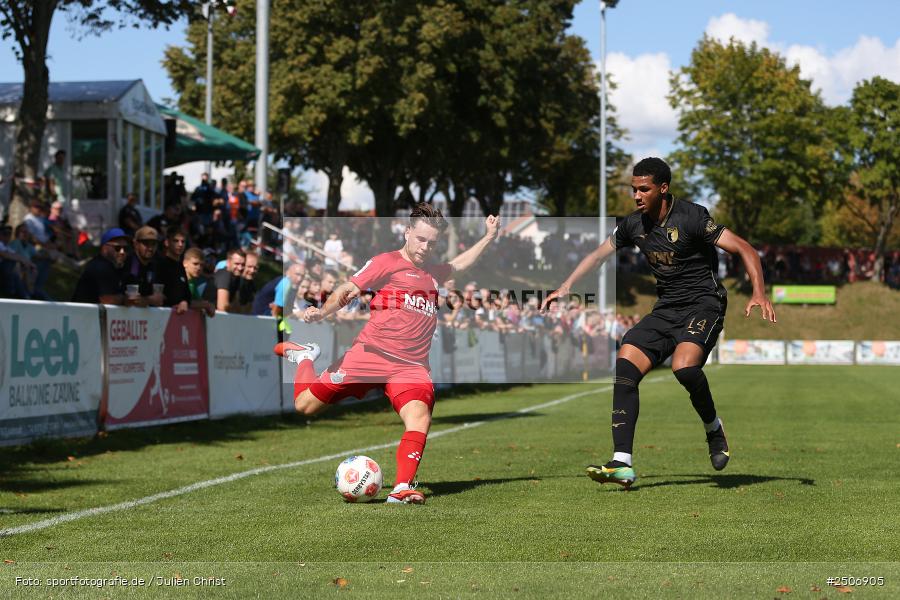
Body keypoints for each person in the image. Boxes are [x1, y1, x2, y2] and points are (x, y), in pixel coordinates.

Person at [542, 157, 776, 489]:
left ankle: (713, 427)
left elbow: (745, 249)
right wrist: (566, 286)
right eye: (633, 189)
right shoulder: (633, 225)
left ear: (662, 189)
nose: (636, 196)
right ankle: (622, 463)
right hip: (666, 309)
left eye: (644, 189)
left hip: (704, 304)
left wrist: (759, 292)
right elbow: (597, 255)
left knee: (684, 368)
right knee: (625, 362)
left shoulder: (692, 217)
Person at [274, 204, 500, 504]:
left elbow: (461, 264)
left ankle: (401, 487)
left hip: (411, 367)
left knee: (420, 417)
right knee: (305, 407)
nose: (425, 247)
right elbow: (350, 288)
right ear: (407, 232)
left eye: (432, 243)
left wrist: (488, 237)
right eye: (421, 239)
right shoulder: (387, 262)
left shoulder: (433, 272)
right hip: (370, 355)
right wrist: (323, 312)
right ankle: (304, 358)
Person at [71, 228, 129, 304]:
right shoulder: (100, 267)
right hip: (82, 314)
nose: (122, 252)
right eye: (117, 248)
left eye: (125, 248)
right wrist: (129, 299)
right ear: (104, 248)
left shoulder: (114, 268)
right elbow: (107, 300)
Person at [123, 226, 165, 307]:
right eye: (146, 244)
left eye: (153, 244)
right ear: (135, 244)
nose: (150, 248)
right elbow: (132, 299)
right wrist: (150, 300)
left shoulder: (156, 264)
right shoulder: (129, 263)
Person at [155, 226, 191, 311]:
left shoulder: (180, 266)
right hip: (160, 315)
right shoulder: (160, 264)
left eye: (183, 241)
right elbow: (159, 294)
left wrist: (185, 302)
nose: (180, 244)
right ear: (167, 242)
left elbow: (187, 295)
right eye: (176, 241)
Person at [206, 248, 245, 312]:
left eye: (243, 265)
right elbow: (222, 307)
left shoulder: (237, 278)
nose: (240, 268)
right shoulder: (225, 275)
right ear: (228, 263)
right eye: (237, 264)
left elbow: (237, 304)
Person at [182, 247, 216, 317]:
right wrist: (206, 305)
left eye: (202, 265)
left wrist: (206, 305)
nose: (199, 268)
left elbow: (198, 301)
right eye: (195, 264)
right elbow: (180, 302)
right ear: (185, 263)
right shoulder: (179, 279)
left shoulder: (192, 282)